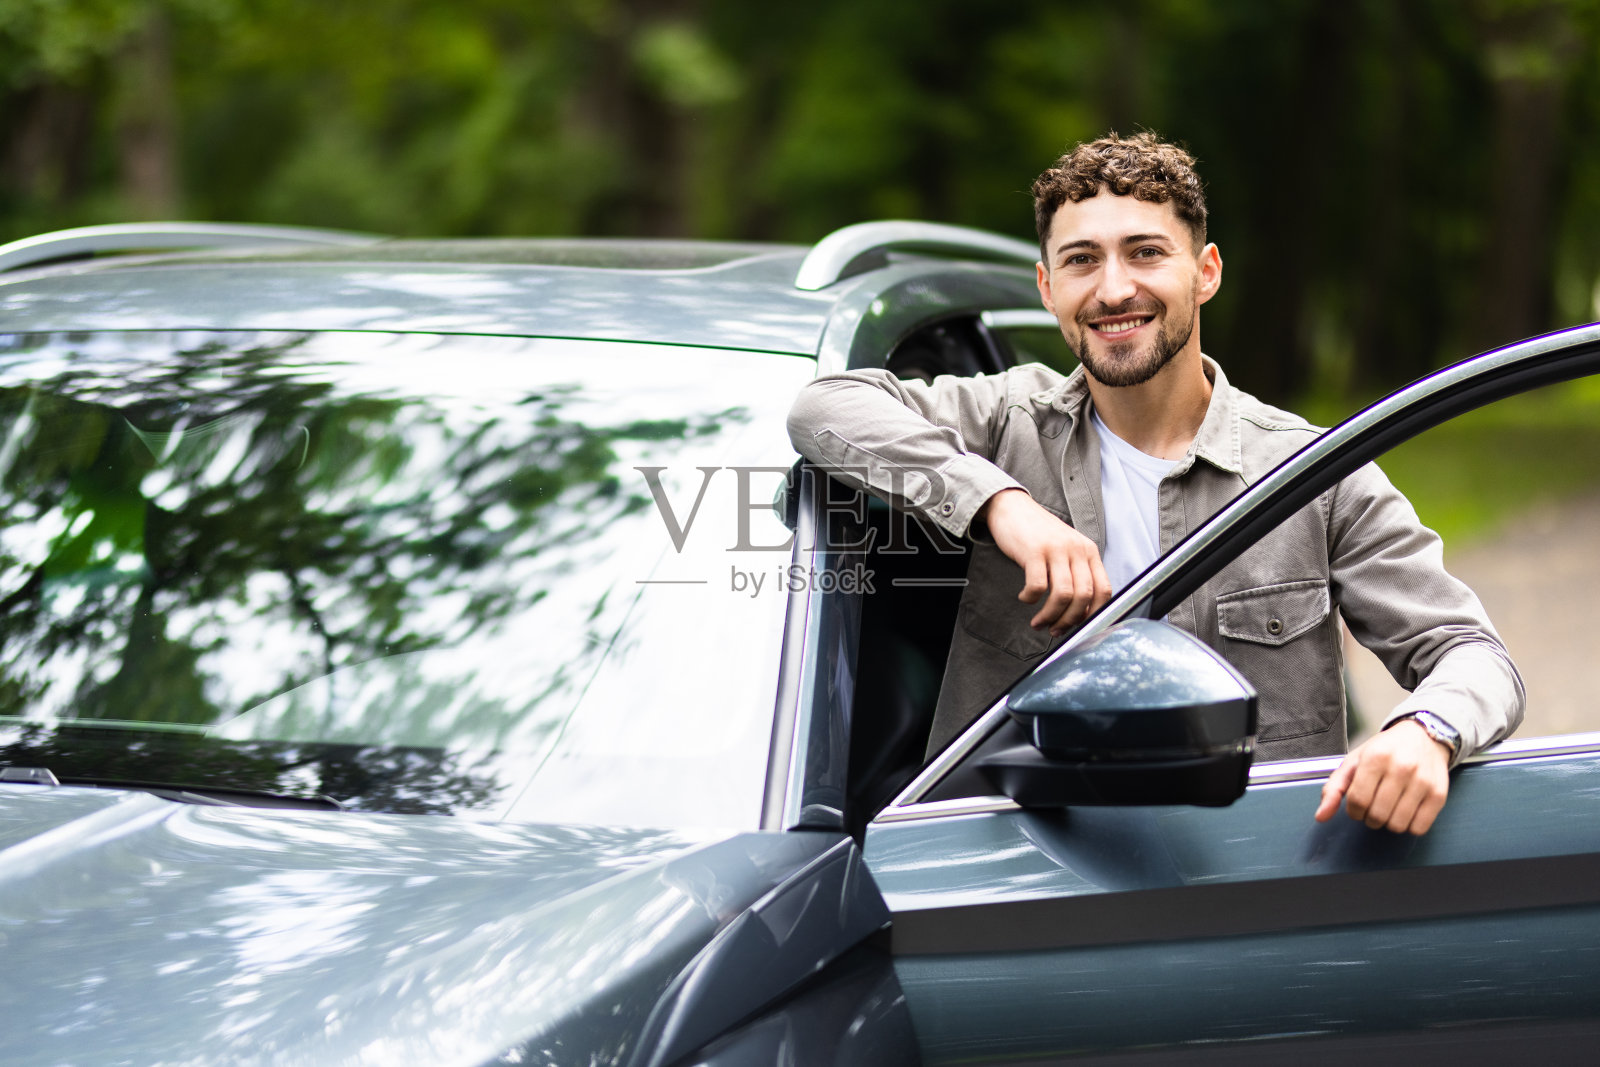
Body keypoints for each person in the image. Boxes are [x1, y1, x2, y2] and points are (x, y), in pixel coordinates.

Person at [786, 131, 1523, 836]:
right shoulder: (1004, 421)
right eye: (1081, 260)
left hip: (1251, 881)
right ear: (1047, 287)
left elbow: (1474, 654)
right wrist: (999, 504)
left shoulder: (1316, 472)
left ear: (1205, 272)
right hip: (1010, 883)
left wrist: (1427, 730)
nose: (1113, 289)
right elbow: (824, 406)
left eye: (1145, 253)